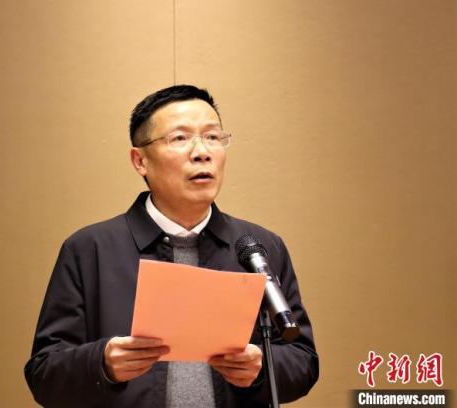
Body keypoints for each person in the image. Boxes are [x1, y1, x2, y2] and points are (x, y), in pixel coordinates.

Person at [24, 85, 319, 407]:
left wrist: (261, 367)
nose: (202, 152)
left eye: (213, 137)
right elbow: (44, 375)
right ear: (140, 160)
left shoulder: (259, 247)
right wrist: (102, 364)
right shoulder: (89, 250)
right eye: (180, 138)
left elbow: (303, 361)